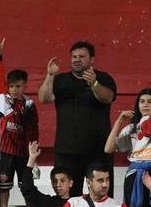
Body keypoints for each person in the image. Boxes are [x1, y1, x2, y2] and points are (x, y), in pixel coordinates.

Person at [38, 40, 117, 197]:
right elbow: (44, 98)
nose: (77, 60)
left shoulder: (103, 78)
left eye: (82, 56)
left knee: (101, 195)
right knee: (67, 198)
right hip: (66, 151)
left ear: (92, 59)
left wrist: (93, 83)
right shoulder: (60, 80)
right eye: (74, 56)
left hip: (98, 150)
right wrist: (50, 75)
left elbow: (107, 98)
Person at [0, 38, 39, 207]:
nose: (13, 90)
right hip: (5, 152)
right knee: (4, 186)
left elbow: (33, 129)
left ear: (25, 86)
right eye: (11, 86)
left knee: (26, 185)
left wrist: (33, 154)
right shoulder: (3, 100)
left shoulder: (29, 105)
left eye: (18, 86)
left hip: (23, 154)